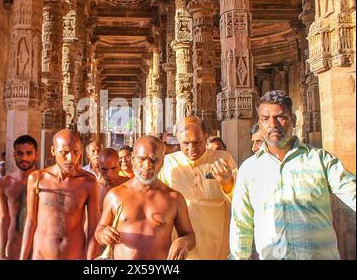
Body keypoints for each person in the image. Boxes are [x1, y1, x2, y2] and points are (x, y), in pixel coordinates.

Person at [230, 90, 356, 260]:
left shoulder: (320, 160)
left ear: (293, 120)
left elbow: (352, 193)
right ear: (259, 124)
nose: (272, 124)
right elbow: (241, 222)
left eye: (280, 117)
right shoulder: (249, 169)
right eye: (265, 119)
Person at [96, 136, 196, 260]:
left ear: (162, 162)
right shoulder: (115, 195)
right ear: (132, 159)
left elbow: (190, 236)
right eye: (142, 159)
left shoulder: (174, 198)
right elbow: (99, 230)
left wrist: (183, 242)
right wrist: (103, 234)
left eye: (154, 160)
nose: (147, 166)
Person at [159, 116, 237, 259]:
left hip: (217, 247)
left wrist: (227, 182)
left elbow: (239, 200)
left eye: (197, 142)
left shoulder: (223, 159)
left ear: (206, 136)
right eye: (186, 143)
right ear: (178, 140)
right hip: (182, 248)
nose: (192, 149)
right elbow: (159, 203)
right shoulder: (169, 163)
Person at [19, 129, 100, 260]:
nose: (71, 158)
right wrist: (22, 258)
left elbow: (93, 227)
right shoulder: (37, 179)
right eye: (64, 153)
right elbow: (30, 222)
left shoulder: (88, 183)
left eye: (76, 152)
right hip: (42, 256)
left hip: (75, 256)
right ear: (53, 151)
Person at [0, 135, 38, 260]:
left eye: (29, 153)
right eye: (20, 153)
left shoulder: (45, 181)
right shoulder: (5, 183)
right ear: (14, 155)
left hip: (38, 245)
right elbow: (4, 218)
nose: (24, 158)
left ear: (36, 154)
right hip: (14, 245)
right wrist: (2, 252)